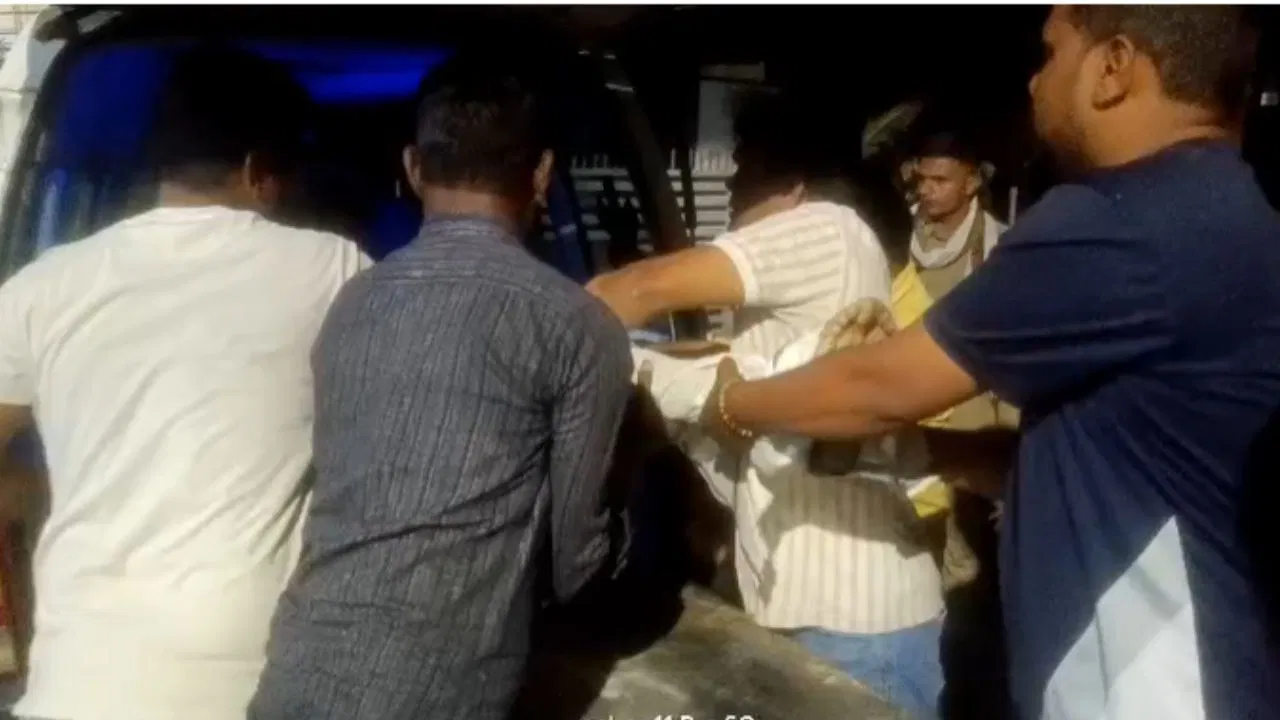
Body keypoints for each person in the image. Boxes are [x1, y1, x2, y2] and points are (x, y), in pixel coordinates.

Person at [702, 6, 1280, 719]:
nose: (1034, 82)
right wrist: (928, 450)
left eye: (1050, 53)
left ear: (1113, 68)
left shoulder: (1119, 222)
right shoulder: (1233, 209)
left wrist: (730, 401)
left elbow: (880, 386)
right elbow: (1113, 452)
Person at [248, 52, 633, 720]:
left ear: (413, 167)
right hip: (442, 697)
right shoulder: (577, 325)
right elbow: (578, 568)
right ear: (542, 173)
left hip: (294, 675)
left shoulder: (353, 303)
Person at [0, 45, 369, 720]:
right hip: (250, 688)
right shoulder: (334, 270)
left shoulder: (42, 286)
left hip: (77, 686)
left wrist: (38, 494)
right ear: (259, 171)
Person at [590, 95, 945, 710]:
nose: (730, 187)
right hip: (836, 620)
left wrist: (540, 328)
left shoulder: (824, 227)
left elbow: (638, 290)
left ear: (791, 186)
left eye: (743, 167)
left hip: (853, 632)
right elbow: (735, 359)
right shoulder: (834, 259)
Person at [900, 131, 1018, 719]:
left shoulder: (1002, 251)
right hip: (914, 442)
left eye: (941, 179)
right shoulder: (905, 243)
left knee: (970, 588)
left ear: (972, 182)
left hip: (972, 455)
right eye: (922, 179)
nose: (927, 190)